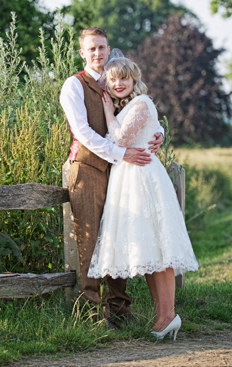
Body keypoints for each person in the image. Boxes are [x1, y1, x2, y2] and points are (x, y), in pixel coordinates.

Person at [87, 54, 199, 340]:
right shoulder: (130, 106)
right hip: (129, 180)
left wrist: (110, 115)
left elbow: (121, 139)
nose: (118, 84)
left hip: (144, 180)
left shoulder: (141, 103)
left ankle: (168, 314)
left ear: (134, 79)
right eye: (112, 80)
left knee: (160, 250)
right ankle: (164, 316)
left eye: (124, 78)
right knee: (150, 252)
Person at [59, 27, 165, 329]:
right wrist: (122, 155)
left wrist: (159, 134)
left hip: (120, 174)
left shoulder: (117, 80)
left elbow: (144, 113)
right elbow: (83, 133)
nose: (97, 53)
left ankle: (120, 310)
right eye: (91, 48)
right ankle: (91, 314)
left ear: (109, 49)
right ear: (82, 52)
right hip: (89, 169)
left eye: (102, 47)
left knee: (118, 237)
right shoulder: (74, 85)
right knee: (90, 239)